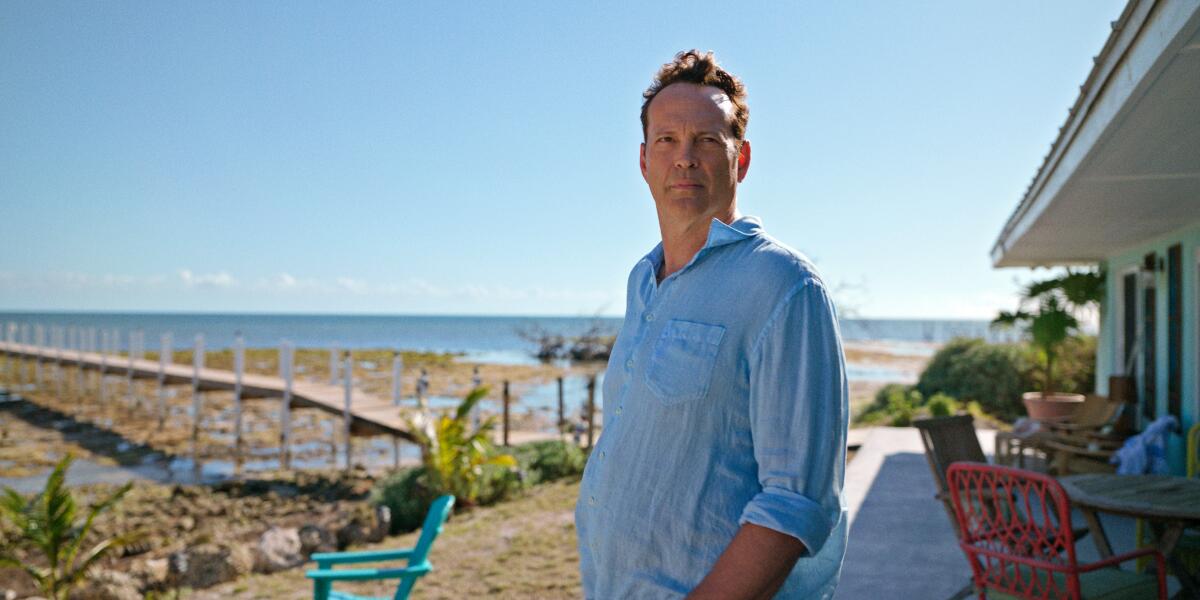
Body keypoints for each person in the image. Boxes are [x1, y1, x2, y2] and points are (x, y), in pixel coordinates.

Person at [575, 50, 849, 599]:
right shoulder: (643, 280)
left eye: (706, 140)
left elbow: (797, 501)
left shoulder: (783, 284)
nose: (685, 158)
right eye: (667, 140)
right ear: (644, 161)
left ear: (740, 159)